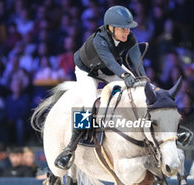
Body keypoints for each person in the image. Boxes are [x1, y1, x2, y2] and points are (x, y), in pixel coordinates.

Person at [54, 5, 147, 170]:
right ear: (111, 28)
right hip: (87, 71)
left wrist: (142, 78)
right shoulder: (99, 40)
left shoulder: (129, 38)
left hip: (108, 70)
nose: (127, 32)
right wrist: (124, 76)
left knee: (138, 87)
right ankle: (70, 147)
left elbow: (136, 59)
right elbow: (110, 61)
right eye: (123, 29)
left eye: (128, 28)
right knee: (89, 105)